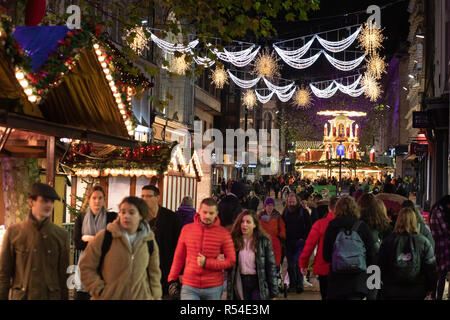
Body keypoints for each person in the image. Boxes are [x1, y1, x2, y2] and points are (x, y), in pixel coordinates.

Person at [80, 196, 162, 300]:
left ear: (141, 215)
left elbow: (154, 273)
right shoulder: (105, 237)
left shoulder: (149, 240)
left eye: (131, 212)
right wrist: (99, 290)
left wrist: (155, 296)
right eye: (122, 212)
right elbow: (86, 267)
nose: (126, 216)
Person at [0, 183, 69, 300]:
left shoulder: (61, 235)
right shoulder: (14, 233)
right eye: (44, 201)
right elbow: (4, 274)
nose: (49, 205)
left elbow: (63, 276)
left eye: (52, 201)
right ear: (31, 202)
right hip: (23, 296)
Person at [168, 198, 236, 300]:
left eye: (211, 213)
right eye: (205, 212)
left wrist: (207, 263)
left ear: (216, 213)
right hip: (190, 284)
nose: (207, 216)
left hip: (213, 286)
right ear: (199, 211)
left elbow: (231, 260)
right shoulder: (187, 230)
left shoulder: (223, 233)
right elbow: (179, 256)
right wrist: (172, 278)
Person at [322, 195, 376, 300]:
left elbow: (326, 256)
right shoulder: (362, 226)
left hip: (337, 281)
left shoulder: (332, 226)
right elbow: (371, 254)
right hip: (357, 281)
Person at [378, 208, 437, 300]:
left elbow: (380, 266)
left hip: (392, 290)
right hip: (417, 289)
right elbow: (431, 268)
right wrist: (431, 288)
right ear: (414, 221)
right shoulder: (424, 242)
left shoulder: (387, 241)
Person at [73, 185, 117, 300]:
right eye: (94, 198)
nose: (97, 201)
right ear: (89, 199)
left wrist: (89, 238)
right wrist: (100, 239)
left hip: (105, 268)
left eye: (100, 198)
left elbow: (111, 243)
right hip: (85, 266)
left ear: (104, 200)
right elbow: (78, 243)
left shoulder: (111, 218)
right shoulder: (81, 218)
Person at [227, 210, 278, 300]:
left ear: (255, 225)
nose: (244, 224)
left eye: (248, 222)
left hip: (258, 282)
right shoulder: (233, 241)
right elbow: (230, 267)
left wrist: (273, 293)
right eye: (242, 222)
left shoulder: (263, 241)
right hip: (241, 281)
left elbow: (271, 267)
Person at [141, 185, 182, 298]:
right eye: (142, 196)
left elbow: (180, 246)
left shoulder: (171, 218)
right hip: (144, 268)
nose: (145, 199)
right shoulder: (139, 218)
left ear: (157, 198)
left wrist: (179, 271)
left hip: (166, 268)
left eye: (148, 196)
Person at [299, 196, 339, 300]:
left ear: (329, 208)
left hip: (324, 267)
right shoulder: (353, 224)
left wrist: (304, 264)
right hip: (346, 267)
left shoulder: (320, 224)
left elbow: (309, 245)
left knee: (326, 295)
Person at [357, 193, 392, 300]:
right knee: (372, 295)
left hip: (358, 264)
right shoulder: (384, 224)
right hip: (376, 266)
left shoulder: (357, 223)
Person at [282, 193, 312, 294]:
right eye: (290, 202)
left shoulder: (303, 212)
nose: (291, 204)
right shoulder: (285, 212)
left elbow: (309, 226)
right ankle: (293, 285)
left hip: (300, 242)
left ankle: (300, 285)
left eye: (293, 202)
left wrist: (303, 238)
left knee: (298, 263)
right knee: (290, 265)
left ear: (297, 201)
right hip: (288, 242)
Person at [429, 195, 450, 300]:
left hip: (438, 246)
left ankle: (435, 295)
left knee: (439, 274)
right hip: (442, 247)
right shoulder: (439, 212)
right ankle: (438, 296)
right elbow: (445, 230)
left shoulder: (436, 210)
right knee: (441, 274)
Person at [258, 198, 286, 267]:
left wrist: (281, 238)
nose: (270, 207)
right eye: (268, 205)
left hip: (274, 241)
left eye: (271, 205)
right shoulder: (260, 215)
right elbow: (256, 227)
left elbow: (282, 227)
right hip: (263, 241)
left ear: (273, 206)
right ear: (265, 206)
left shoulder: (277, 215)